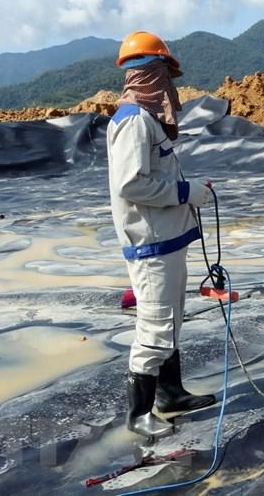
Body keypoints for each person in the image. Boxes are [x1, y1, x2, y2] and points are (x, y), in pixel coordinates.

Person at [107, 31, 216, 439]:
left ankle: (170, 394)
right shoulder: (134, 122)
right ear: (152, 75)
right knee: (155, 325)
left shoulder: (146, 120)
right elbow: (131, 184)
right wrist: (186, 192)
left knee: (169, 320)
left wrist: (186, 194)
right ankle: (139, 414)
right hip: (151, 245)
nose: (172, 87)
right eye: (167, 75)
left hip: (166, 239)